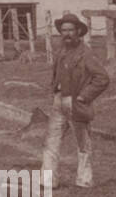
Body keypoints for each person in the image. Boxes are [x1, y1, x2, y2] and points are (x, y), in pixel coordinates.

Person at [44, 13, 109, 187]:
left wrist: (83, 96)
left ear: (78, 31)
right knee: (52, 141)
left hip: (76, 104)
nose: (67, 34)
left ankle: (84, 180)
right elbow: (56, 74)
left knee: (83, 143)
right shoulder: (61, 52)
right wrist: (54, 91)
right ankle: (48, 181)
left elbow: (102, 78)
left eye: (70, 30)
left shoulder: (86, 53)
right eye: (63, 30)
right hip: (59, 102)